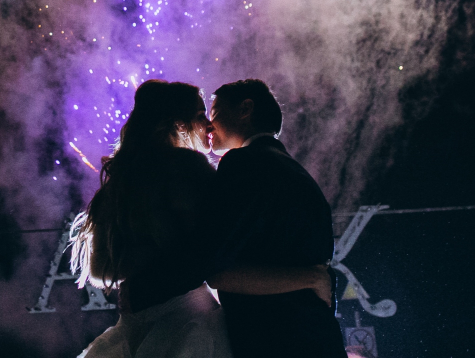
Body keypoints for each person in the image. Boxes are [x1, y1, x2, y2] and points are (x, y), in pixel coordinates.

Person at [71, 80, 331, 358]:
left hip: (135, 323)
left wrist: (140, 282)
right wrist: (310, 278)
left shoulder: (117, 182)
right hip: (188, 316)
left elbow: (100, 269)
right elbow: (210, 254)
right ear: (179, 124)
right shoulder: (190, 168)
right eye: (200, 115)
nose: (208, 124)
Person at [206, 79, 348, 358]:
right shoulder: (292, 169)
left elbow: (220, 271)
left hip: (274, 339)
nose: (209, 126)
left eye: (215, 114)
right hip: (313, 337)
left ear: (245, 109)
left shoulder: (242, 162)